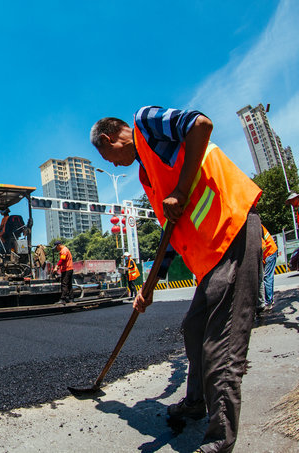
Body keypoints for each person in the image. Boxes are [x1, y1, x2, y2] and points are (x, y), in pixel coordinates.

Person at [91, 106, 262, 453]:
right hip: (212, 253)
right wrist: (149, 287)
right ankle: (196, 402)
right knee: (194, 329)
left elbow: (200, 124)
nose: (114, 165)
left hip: (232, 229)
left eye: (108, 158)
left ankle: (219, 439)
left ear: (109, 140)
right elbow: (171, 233)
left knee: (221, 344)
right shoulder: (148, 175)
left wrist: (181, 191)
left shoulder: (146, 123)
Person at [258, 225, 278, 313]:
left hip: (270, 252)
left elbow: (263, 246)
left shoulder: (256, 227)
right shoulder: (257, 225)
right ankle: (270, 300)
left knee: (267, 277)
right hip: (269, 252)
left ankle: (268, 303)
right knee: (267, 277)